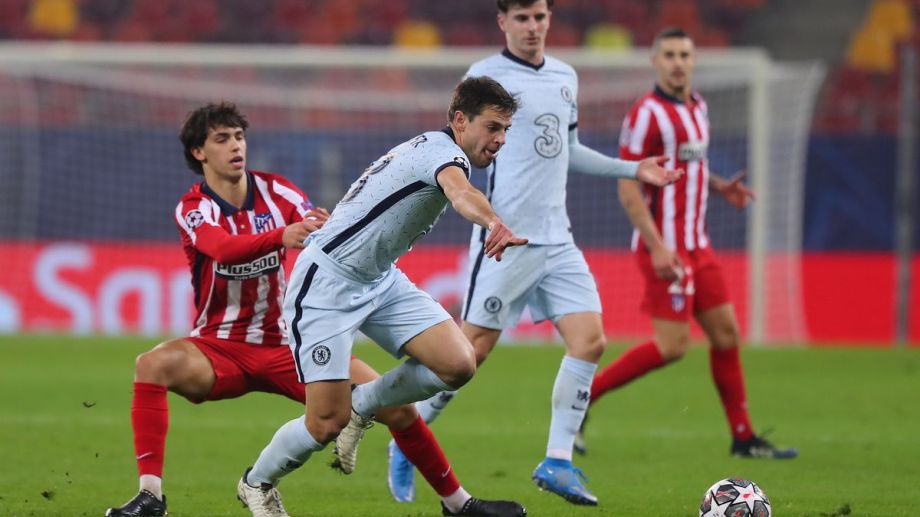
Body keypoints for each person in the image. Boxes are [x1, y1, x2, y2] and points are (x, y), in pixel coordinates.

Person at [105, 101, 525, 517]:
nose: (235, 146)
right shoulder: (195, 207)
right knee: (152, 365)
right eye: (222, 139)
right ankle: (151, 496)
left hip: (285, 341)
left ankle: (457, 502)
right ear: (199, 152)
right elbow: (220, 248)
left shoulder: (277, 190)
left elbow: (316, 219)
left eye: (239, 137)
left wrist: (321, 223)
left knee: (394, 406)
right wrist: (279, 236)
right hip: (221, 346)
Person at [384, 0, 684, 508]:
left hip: (557, 237)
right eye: (522, 18)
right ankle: (407, 438)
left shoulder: (566, 76)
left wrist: (633, 169)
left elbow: (570, 150)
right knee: (468, 355)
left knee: (590, 341)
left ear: (549, 20)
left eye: (540, 17)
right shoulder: (483, 75)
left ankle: (557, 461)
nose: (532, 27)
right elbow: (455, 148)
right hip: (506, 239)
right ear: (503, 22)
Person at [235, 77, 529, 517]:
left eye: (505, 129)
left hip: (379, 279)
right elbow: (461, 194)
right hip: (327, 282)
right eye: (492, 127)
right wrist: (493, 223)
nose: (500, 139)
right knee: (324, 423)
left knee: (459, 364)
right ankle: (256, 482)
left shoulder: (436, 148)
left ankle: (364, 403)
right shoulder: (444, 156)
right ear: (460, 120)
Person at [576, 28, 798, 460]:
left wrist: (718, 186)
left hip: (699, 244)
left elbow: (689, 167)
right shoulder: (645, 114)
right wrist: (658, 246)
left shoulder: (698, 106)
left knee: (726, 334)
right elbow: (628, 184)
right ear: (655, 62)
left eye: (685, 55)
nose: (678, 63)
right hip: (666, 246)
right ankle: (584, 396)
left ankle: (743, 437)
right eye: (670, 55)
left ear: (694, 61)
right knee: (673, 346)